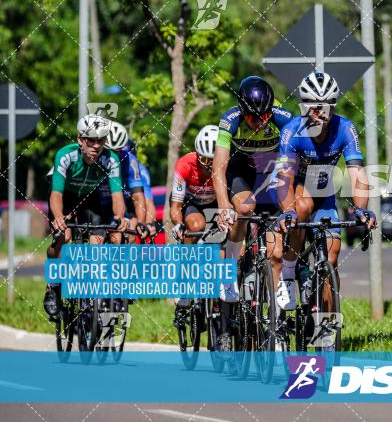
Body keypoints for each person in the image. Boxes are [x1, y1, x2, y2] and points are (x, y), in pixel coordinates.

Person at [274, 71, 376, 311]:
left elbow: (357, 174)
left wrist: (361, 208)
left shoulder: (345, 128)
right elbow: (283, 180)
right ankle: (288, 274)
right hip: (296, 186)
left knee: (332, 256)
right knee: (302, 207)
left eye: (328, 105)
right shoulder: (292, 131)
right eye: (315, 106)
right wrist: (288, 211)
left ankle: (328, 323)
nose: (322, 112)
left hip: (324, 189)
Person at [213, 76, 294, 308]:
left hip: (268, 173)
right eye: (251, 117)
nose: (259, 122)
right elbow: (219, 167)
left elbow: (295, 159)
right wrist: (223, 206)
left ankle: (274, 324)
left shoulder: (283, 118)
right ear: (241, 111)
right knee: (245, 207)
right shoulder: (230, 120)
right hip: (240, 173)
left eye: (265, 116)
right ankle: (230, 265)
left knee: (276, 253)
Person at [43, 115, 127, 317]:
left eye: (101, 140)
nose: (96, 145)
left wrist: (119, 218)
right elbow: (56, 193)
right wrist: (58, 217)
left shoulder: (111, 159)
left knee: (98, 240)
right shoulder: (65, 155)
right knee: (65, 237)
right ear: (80, 139)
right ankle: (53, 285)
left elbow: (117, 195)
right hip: (66, 199)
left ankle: (92, 299)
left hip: (91, 200)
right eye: (91, 140)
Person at [169, 125, 219, 321]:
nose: (209, 166)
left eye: (213, 161)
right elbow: (175, 206)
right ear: (198, 156)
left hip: (215, 203)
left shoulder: (225, 166)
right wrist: (178, 224)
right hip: (191, 204)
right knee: (195, 226)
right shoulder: (185, 165)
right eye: (205, 160)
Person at [103, 121, 157, 237]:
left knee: (130, 232)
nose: (114, 156)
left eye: (118, 152)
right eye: (111, 151)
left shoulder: (134, 164)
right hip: (102, 202)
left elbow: (145, 200)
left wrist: (146, 223)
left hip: (126, 204)